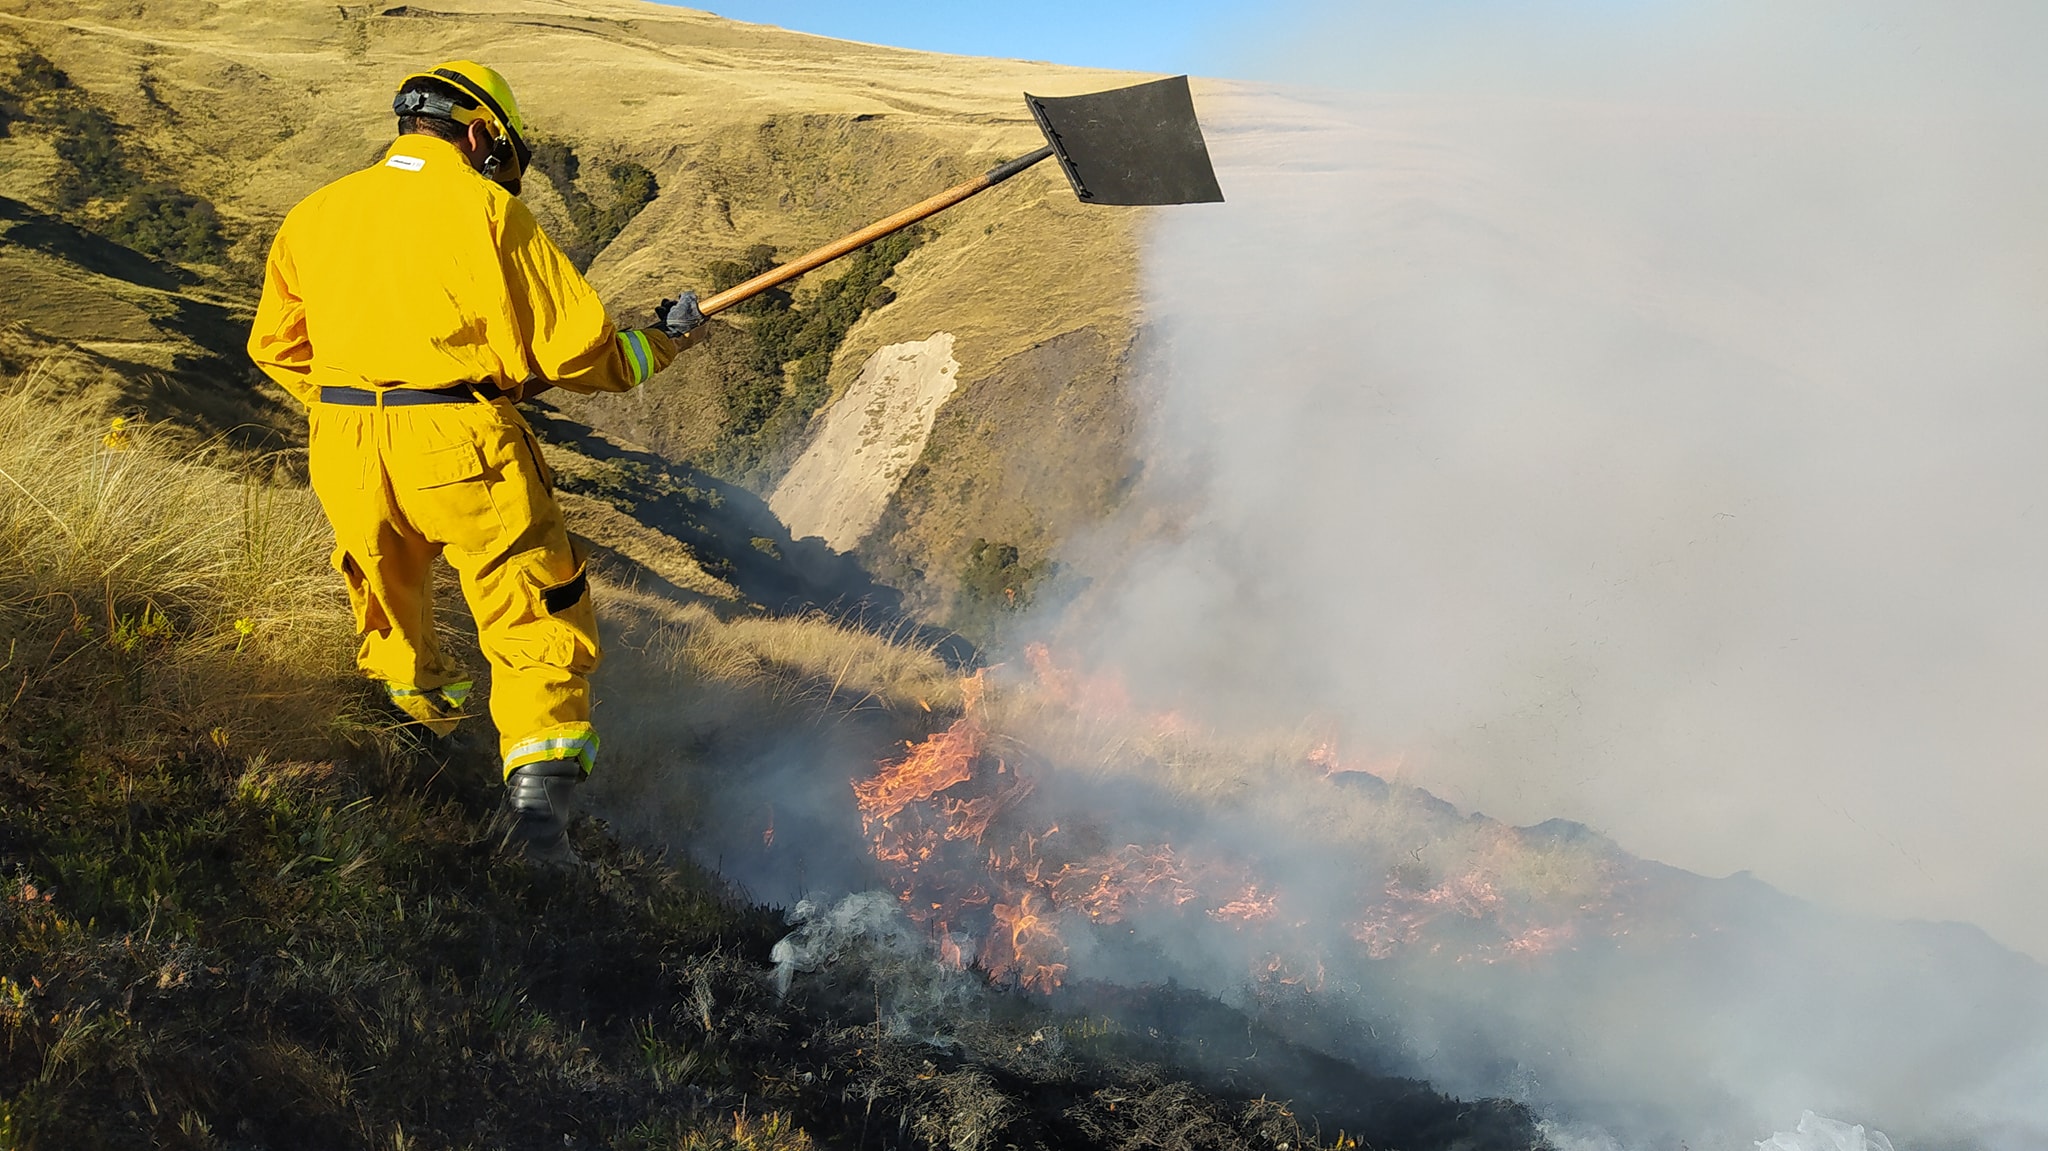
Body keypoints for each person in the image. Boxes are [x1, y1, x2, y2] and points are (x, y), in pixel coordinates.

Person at [247, 60, 704, 864]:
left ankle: (410, 779)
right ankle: (534, 835)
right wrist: (663, 339)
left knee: (392, 609)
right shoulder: (490, 213)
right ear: (483, 133)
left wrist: (364, 390)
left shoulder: (314, 213)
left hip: (345, 443)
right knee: (537, 611)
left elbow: (276, 347)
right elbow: (585, 357)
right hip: (457, 443)